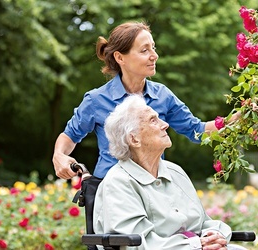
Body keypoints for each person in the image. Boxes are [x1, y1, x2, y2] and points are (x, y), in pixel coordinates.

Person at [52, 20, 241, 180]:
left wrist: (236, 120)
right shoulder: (96, 100)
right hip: (111, 192)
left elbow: (196, 131)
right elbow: (70, 135)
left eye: (153, 48)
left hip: (154, 191)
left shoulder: (162, 96)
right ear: (120, 57)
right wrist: (59, 155)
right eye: (144, 50)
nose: (154, 55)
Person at [93, 94, 247, 250]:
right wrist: (196, 244)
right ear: (134, 139)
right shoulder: (118, 182)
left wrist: (212, 236)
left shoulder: (175, 171)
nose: (165, 124)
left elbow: (203, 222)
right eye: (153, 120)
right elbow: (137, 243)